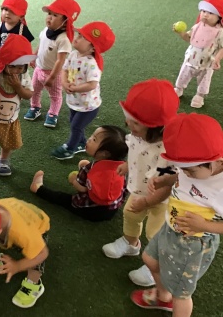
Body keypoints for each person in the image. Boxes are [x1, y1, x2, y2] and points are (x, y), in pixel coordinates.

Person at [131, 113, 223, 316]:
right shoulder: (192, 165)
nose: (186, 174)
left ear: (216, 161)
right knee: (150, 259)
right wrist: (164, 180)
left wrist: (204, 226)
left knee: (181, 294)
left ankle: (171, 300)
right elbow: (180, 175)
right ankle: (163, 297)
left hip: (193, 243)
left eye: (191, 171)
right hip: (170, 227)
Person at [102, 79, 179, 287]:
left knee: (156, 233)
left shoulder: (167, 150)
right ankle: (130, 243)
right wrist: (128, 165)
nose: (129, 125)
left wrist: (147, 202)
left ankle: (156, 266)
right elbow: (137, 152)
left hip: (161, 201)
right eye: (129, 119)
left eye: (136, 123)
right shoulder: (138, 135)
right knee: (130, 215)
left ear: (158, 128)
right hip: (139, 190)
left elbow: (166, 185)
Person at [30, 125, 128, 221]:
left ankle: (38, 188)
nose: (89, 139)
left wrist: (74, 180)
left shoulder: (89, 170)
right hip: (112, 207)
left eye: (94, 139)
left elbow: (82, 188)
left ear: (104, 153)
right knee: (88, 170)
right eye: (92, 136)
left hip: (93, 211)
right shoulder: (121, 166)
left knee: (63, 199)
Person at [50, 21, 115, 160]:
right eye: (78, 34)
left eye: (82, 37)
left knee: (76, 126)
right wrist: (64, 83)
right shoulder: (73, 55)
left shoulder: (91, 63)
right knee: (74, 123)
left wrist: (75, 88)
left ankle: (70, 148)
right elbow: (64, 70)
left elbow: (92, 84)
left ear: (92, 47)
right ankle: (81, 143)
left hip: (88, 105)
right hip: (75, 101)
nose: (76, 37)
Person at [0, 34, 36, 177]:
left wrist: (18, 87)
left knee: (8, 144)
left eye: (20, 67)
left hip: (10, 120)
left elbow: (29, 95)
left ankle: (3, 161)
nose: (16, 70)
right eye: (12, 66)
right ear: (4, 63)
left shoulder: (24, 76)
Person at [24, 0, 80, 128]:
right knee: (34, 90)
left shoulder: (63, 39)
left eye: (55, 15)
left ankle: (53, 113)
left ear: (65, 22)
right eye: (49, 13)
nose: (49, 17)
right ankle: (35, 107)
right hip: (39, 69)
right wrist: (34, 56)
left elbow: (60, 61)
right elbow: (41, 44)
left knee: (55, 95)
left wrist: (52, 77)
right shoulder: (45, 31)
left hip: (53, 73)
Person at [173, 0, 223, 108]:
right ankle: (179, 89)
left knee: (204, 81)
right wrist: (181, 33)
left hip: (207, 63)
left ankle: (199, 96)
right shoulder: (197, 26)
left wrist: (217, 59)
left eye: (210, 13)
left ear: (219, 16)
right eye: (203, 11)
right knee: (183, 75)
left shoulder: (220, 32)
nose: (205, 14)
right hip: (190, 59)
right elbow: (189, 38)